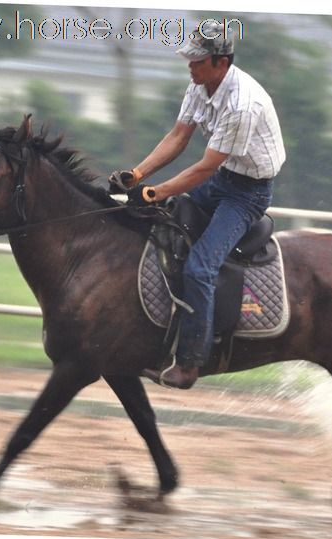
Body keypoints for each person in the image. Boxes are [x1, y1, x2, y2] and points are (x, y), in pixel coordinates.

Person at [109, 21, 286, 389]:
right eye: (189, 59)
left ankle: (191, 362)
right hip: (223, 181)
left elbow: (206, 166)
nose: (190, 66)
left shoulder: (243, 104)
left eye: (197, 60)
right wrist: (138, 175)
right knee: (161, 228)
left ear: (221, 63)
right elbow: (178, 136)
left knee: (200, 267)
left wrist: (158, 192)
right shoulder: (199, 85)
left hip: (246, 194)